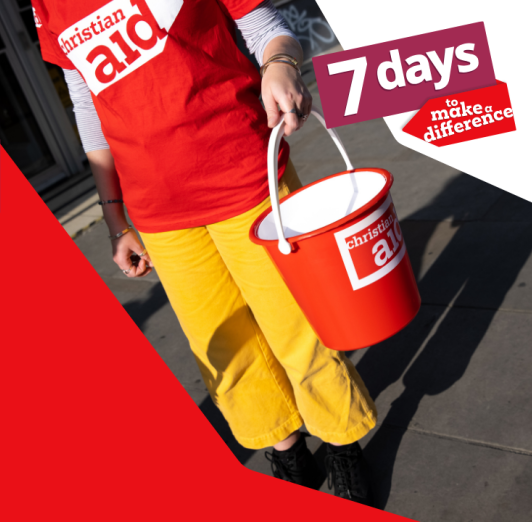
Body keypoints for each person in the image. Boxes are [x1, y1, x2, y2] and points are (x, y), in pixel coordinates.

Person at [32, 0, 378, 505]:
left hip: (244, 175)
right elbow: (88, 105)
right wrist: (114, 219)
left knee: (297, 327)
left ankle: (343, 441)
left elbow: (265, 29)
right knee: (226, 351)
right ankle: (286, 449)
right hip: (159, 209)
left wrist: (280, 65)